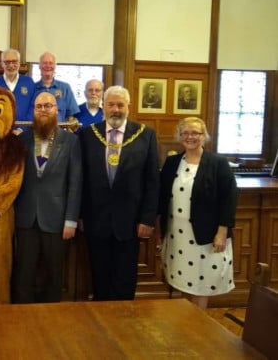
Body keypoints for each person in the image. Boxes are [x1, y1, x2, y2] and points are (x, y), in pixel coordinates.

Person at [79, 85, 159, 301]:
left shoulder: (145, 135)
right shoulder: (88, 134)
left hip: (131, 221)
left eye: (120, 105)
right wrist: (81, 215)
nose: (115, 109)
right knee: (99, 277)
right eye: (111, 104)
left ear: (128, 107)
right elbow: (82, 179)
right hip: (96, 220)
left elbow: (152, 180)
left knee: (125, 278)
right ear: (103, 106)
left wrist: (147, 219)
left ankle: (124, 318)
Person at [158, 117, 237, 309]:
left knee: (202, 283)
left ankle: (198, 321)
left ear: (204, 136)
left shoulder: (218, 163)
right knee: (184, 279)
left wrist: (222, 232)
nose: (190, 137)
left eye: (195, 133)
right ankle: (188, 320)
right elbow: (162, 196)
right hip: (177, 234)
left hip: (206, 236)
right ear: (179, 136)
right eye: (185, 133)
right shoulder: (172, 162)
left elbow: (229, 200)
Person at [13, 92, 82, 303]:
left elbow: (75, 183)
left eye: (48, 106)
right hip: (25, 219)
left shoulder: (71, 141)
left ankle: (52, 316)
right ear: (33, 111)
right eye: (39, 106)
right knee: (23, 274)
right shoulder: (22, 140)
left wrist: (71, 220)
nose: (43, 110)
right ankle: (22, 315)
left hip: (57, 219)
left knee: (54, 274)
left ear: (57, 109)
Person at [0, 49, 35, 134]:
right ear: (2, 64)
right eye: (7, 62)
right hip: (0, 133)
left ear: (19, 63)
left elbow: (33, 108)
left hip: (24, 133)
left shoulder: (29, 82)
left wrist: (21, 129)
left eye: (14, 61)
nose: (11, 65)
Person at [34, 52, 79, 123]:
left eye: (51, 63)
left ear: (55, 66)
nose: (48, 66)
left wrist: (71, 123)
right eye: (45, 63)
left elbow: (71, 115)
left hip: (60, 129)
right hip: (37, 128)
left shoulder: (65, 88)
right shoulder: (32, 88)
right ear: (39, 66)